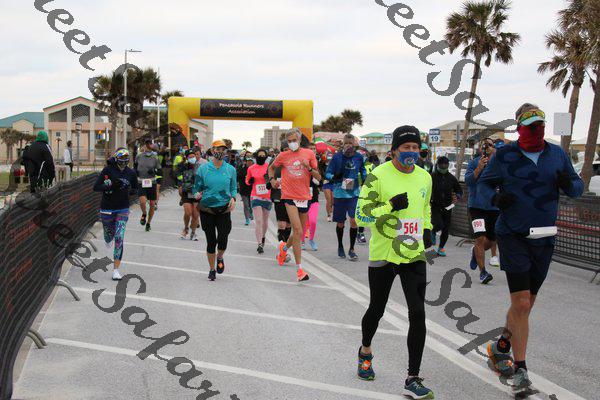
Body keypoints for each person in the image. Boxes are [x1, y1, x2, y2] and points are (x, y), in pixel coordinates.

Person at [479, 104, 583, 394]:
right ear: (519, 128)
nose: (537, 129)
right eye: (531, 126)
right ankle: (521, 370)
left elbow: (577, 187)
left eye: (540, 124)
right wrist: (496, 199)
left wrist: (568, 182)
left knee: (525, 305)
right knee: (522, 303)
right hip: (513, 235)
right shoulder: (505, 155)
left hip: (545, 237)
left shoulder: (557, 154)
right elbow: (482, 184)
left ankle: (500, 347)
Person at [355, 125, 434, 400]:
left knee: (418, 313)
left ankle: (413, 377)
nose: (411, 152)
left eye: (415, 148)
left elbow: (425, 207)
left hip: (413, 253)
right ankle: (365, 350)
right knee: (376, 309)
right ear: (394, 151)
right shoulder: (377, 176)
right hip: (384, 253)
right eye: (406, 147)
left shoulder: (425, 176)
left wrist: (427, 227)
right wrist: (389, 206)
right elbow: (361, 216)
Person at [269, 129, 320, 282]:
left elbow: (318, 177)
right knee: (297, 230)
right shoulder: (283, 156)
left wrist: (308, 168)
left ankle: (284, 249)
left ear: (299, 139)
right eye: (289, 141)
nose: (292, 143)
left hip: (304, 197)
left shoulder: (309, 154)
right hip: (288, 196)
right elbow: (271, 168)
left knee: (299, 233)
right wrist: (272, 180)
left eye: (294, 140)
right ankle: (300, 270)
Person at [194, 140, 237, 282]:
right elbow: (197, 187)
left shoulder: (230, 169)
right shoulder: (203, 169)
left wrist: (233, 198)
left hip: (224, 209)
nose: (220, 152)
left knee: (223, 239)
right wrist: (197, 193)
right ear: (212, 150)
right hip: (207, 209)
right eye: (217, 149)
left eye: (223, 149)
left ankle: (220, 257)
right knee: (211, 241)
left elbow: (233, 188)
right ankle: (212, 269)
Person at [93, 148, 138, 280]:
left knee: (119, 237)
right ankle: (108, 238)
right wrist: (112, 185)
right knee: (108, 236)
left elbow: (135, 188)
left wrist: (129, 190)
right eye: (121, 159)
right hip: (107, 208)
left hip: (122, 208)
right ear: (116, 159)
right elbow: (96, 187)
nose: (124, 162)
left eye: (126, 159)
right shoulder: (108, 170)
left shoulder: (131, 173)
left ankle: (116, 270)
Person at [465, 137, 500, 285]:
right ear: (480, 148)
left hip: (494, 207)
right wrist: (479, 168)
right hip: (476, 207)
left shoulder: (498, 164)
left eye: (490, 145)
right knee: (479, 238)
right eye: (484, 145)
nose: (487, 147)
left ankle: (475, 252)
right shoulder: (474, 163)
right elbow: (468, 181)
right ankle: (483, 272)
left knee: (491, 240)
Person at [325, 134, 366, 261]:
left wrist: (365, 179)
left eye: (351, 143)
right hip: (339, 194)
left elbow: (363, 170)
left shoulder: (358, 157)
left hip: (354, 194)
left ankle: (352, 249)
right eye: (346, 143)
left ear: (354, 145)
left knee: (354, 221)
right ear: (343, 144)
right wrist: (334, 177)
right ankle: (340, 245)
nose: (349, 145)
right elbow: (327, 173)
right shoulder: (337, 157)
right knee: (341, 223)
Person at [430, 156, 462, 256]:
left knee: (446, 229)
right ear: (437, 165)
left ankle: (441, 248)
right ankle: (433, 231)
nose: (443, 166)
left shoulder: (451, 178)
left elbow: (459, 190)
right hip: (435, 206)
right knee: (439, 224)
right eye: (441, 164)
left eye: (445, 164)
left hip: (448, 207)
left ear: (448, 165)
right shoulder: (432, 176)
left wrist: (457, 196)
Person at [265, 141, 292, 262]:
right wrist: (271, 181)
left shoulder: (295, 161)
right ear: (281, 150)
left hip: (292, 195)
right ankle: (283, 251)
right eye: (285, 150)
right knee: (282, 224)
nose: (287, 152)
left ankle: (284, 249)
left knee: (289, 225)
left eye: (289, 149)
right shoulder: (275, 160)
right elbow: (267, 173)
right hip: (278, 195)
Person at [246, 148, 272, 253]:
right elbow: (247, 180)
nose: (261, 157)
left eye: (263, 156)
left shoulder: (269, 167)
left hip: (267, 196)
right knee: (258, 220)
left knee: (265, 221)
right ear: (256, 156)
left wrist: (270, 182)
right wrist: (250, 181)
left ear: (266, 157)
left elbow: (273, 179)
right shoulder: (251, 168)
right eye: (259, 155)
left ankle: (263, 236)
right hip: (255, 196)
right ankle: (259, 243)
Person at [135, 140, 162, 232]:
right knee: (142, 201)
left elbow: (160, 170)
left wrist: (154, 171)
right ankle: (144, 214)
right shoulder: (139, 156)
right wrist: (136, 173)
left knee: (152, 204)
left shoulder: (155, 157)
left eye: (149, 145)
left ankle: (148, 223)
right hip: (141, 181)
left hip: (151, 182)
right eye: (146, 145)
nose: (147, 147)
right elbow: (135, 167)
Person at [177, 150, 201, 241]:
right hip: (186, 192)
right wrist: (180, 186)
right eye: (190, 157)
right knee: (188, 212)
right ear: (187, 158)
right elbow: (178, 177)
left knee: (195, 215)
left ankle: (193, 232)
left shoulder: (200, 167)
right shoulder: (182, 166)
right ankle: (186, 228)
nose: (192, 158)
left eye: (193, 156)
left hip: (197, 193)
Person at [302, 142, 321, 251]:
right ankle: (302, 241)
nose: (313, 151)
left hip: (314, 197)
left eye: (314, 149)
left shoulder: (317, 163)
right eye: (310, 149)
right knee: (303, 222)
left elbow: (320, 180)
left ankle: (311, 239)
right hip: (302, 197)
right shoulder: (301, 162)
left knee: (313, 221)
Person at [237, 156, 254, 225]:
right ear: (246, 162)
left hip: (252, 190)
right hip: (243, 190)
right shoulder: (242, 169)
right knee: (246, 205)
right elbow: (238, 177)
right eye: (248, 161)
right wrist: (244, 177)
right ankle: (247, 219)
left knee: (251, 204)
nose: (249, 163)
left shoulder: (254, 169)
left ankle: (251, 213)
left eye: (251, 161)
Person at [320, 151, 335, 222]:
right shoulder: (322, 164)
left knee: (333, 200)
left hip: (333, 183)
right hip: (326, 183)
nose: (329, 159)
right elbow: (321, 173)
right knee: (328, 199)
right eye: (328, 156)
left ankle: (331, 212)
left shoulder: (334, 165)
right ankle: (329, 215)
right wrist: (324, 180)